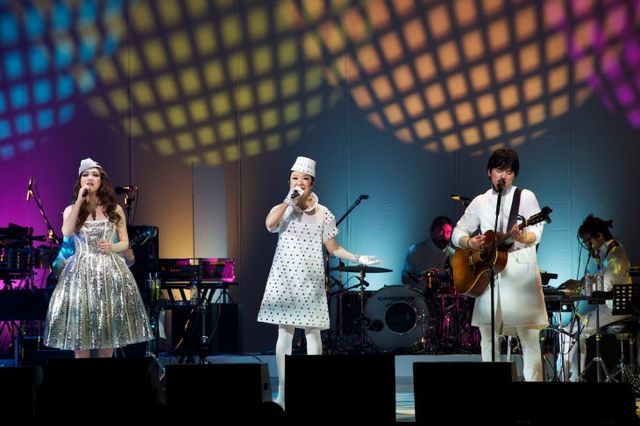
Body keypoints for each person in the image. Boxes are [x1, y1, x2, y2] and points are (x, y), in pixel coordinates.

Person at [257, 156, 379, 409]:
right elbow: (269, 225)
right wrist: (288, 201)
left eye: (304, 179)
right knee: (284, 334)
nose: (298, 182)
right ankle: (283, 393)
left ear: (312, 183)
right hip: (285, 278)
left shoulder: (324, 213)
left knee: (313, 333)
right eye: (294, 178)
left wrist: (358, 257)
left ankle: (313, 391)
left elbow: (333, 248)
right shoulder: (283, 208)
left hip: (311, 280)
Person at [451, 148, 548, 381]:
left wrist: (524, 237)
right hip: (489, 276)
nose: (503, 176)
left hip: (520, 275)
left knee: (528, 337)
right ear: (489, 172)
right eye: (498, 170)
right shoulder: (480, 201)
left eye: (509, 171)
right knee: (488, 335)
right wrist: (469, 242)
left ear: (514, 175)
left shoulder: (525, 197)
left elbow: (536, 230)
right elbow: (457, 232)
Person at [43, 158, 153, 358]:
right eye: (85, 174)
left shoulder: (115, 209)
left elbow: (125, 242)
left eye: (95, 175)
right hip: (80, 272)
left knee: (107, 333)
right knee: (80, 334)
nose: (90, 178)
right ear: (80, 180)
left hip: (109, 271)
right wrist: (79, 201)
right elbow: (66, 231)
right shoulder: (71, 210)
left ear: (102, 181)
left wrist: (112, 247)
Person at [559, 214, 632, 381]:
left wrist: (581, 288)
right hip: (610, 307)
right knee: (572, 330)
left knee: (570, 331)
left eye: (588, 241)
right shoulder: (609, 253)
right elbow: (601, 277)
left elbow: (605, 287)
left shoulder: (615, 254)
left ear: (599, 236)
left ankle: (567, 378)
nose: (587, 245)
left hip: (617, 309)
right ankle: (574, 377)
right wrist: (579, 283)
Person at [401, 216, 455, 295]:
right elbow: (405, 279)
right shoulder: (415, 250)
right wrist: (422, 275)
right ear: (432, 231)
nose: (444, 236)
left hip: (445, 300)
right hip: (418, 298)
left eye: (448, 232)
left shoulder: (453, 254)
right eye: (441, 231)